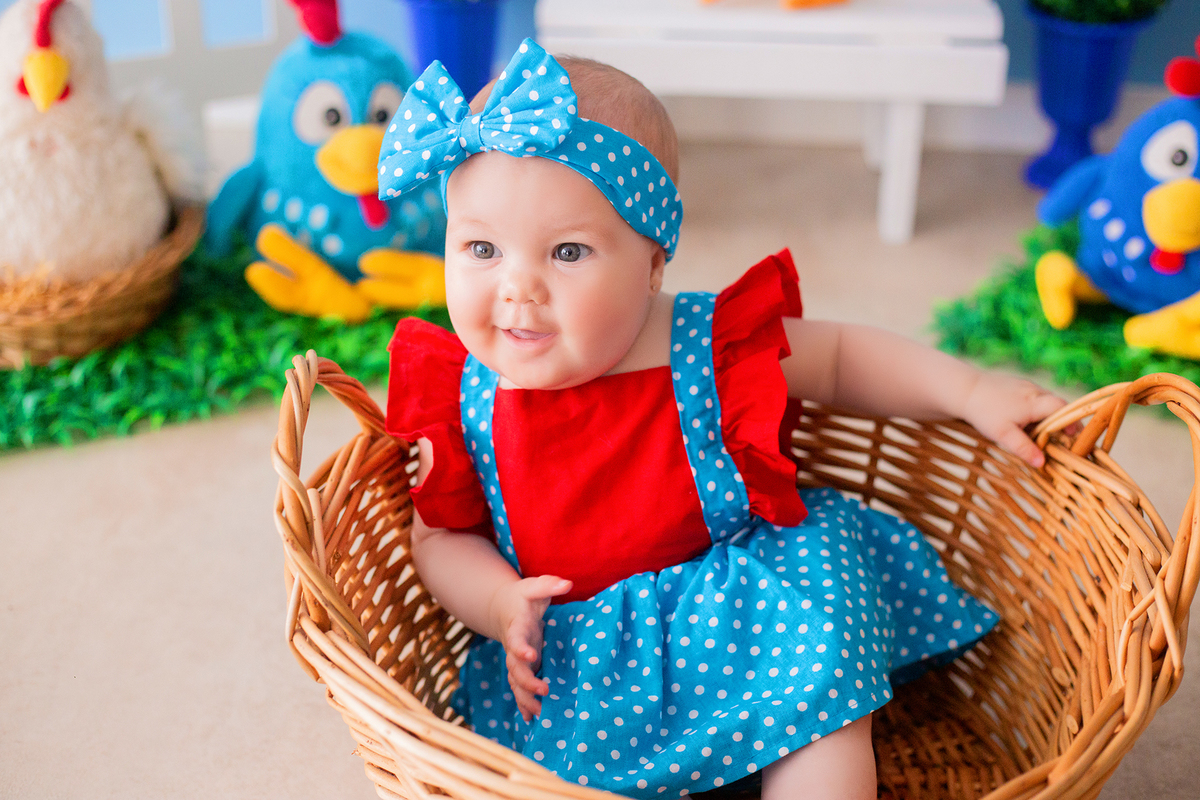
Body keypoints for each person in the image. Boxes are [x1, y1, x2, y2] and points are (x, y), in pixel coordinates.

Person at [378, 39, 1064, 800]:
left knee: (822, 702)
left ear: (652, 263)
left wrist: (969, 391)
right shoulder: (463, 394)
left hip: (739, 608)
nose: (518, 290)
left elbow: (837, 360)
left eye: (568, 252)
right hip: (584, 656)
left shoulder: (701, 345)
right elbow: (440, 539)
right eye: (480, 248)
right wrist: (499, 601)